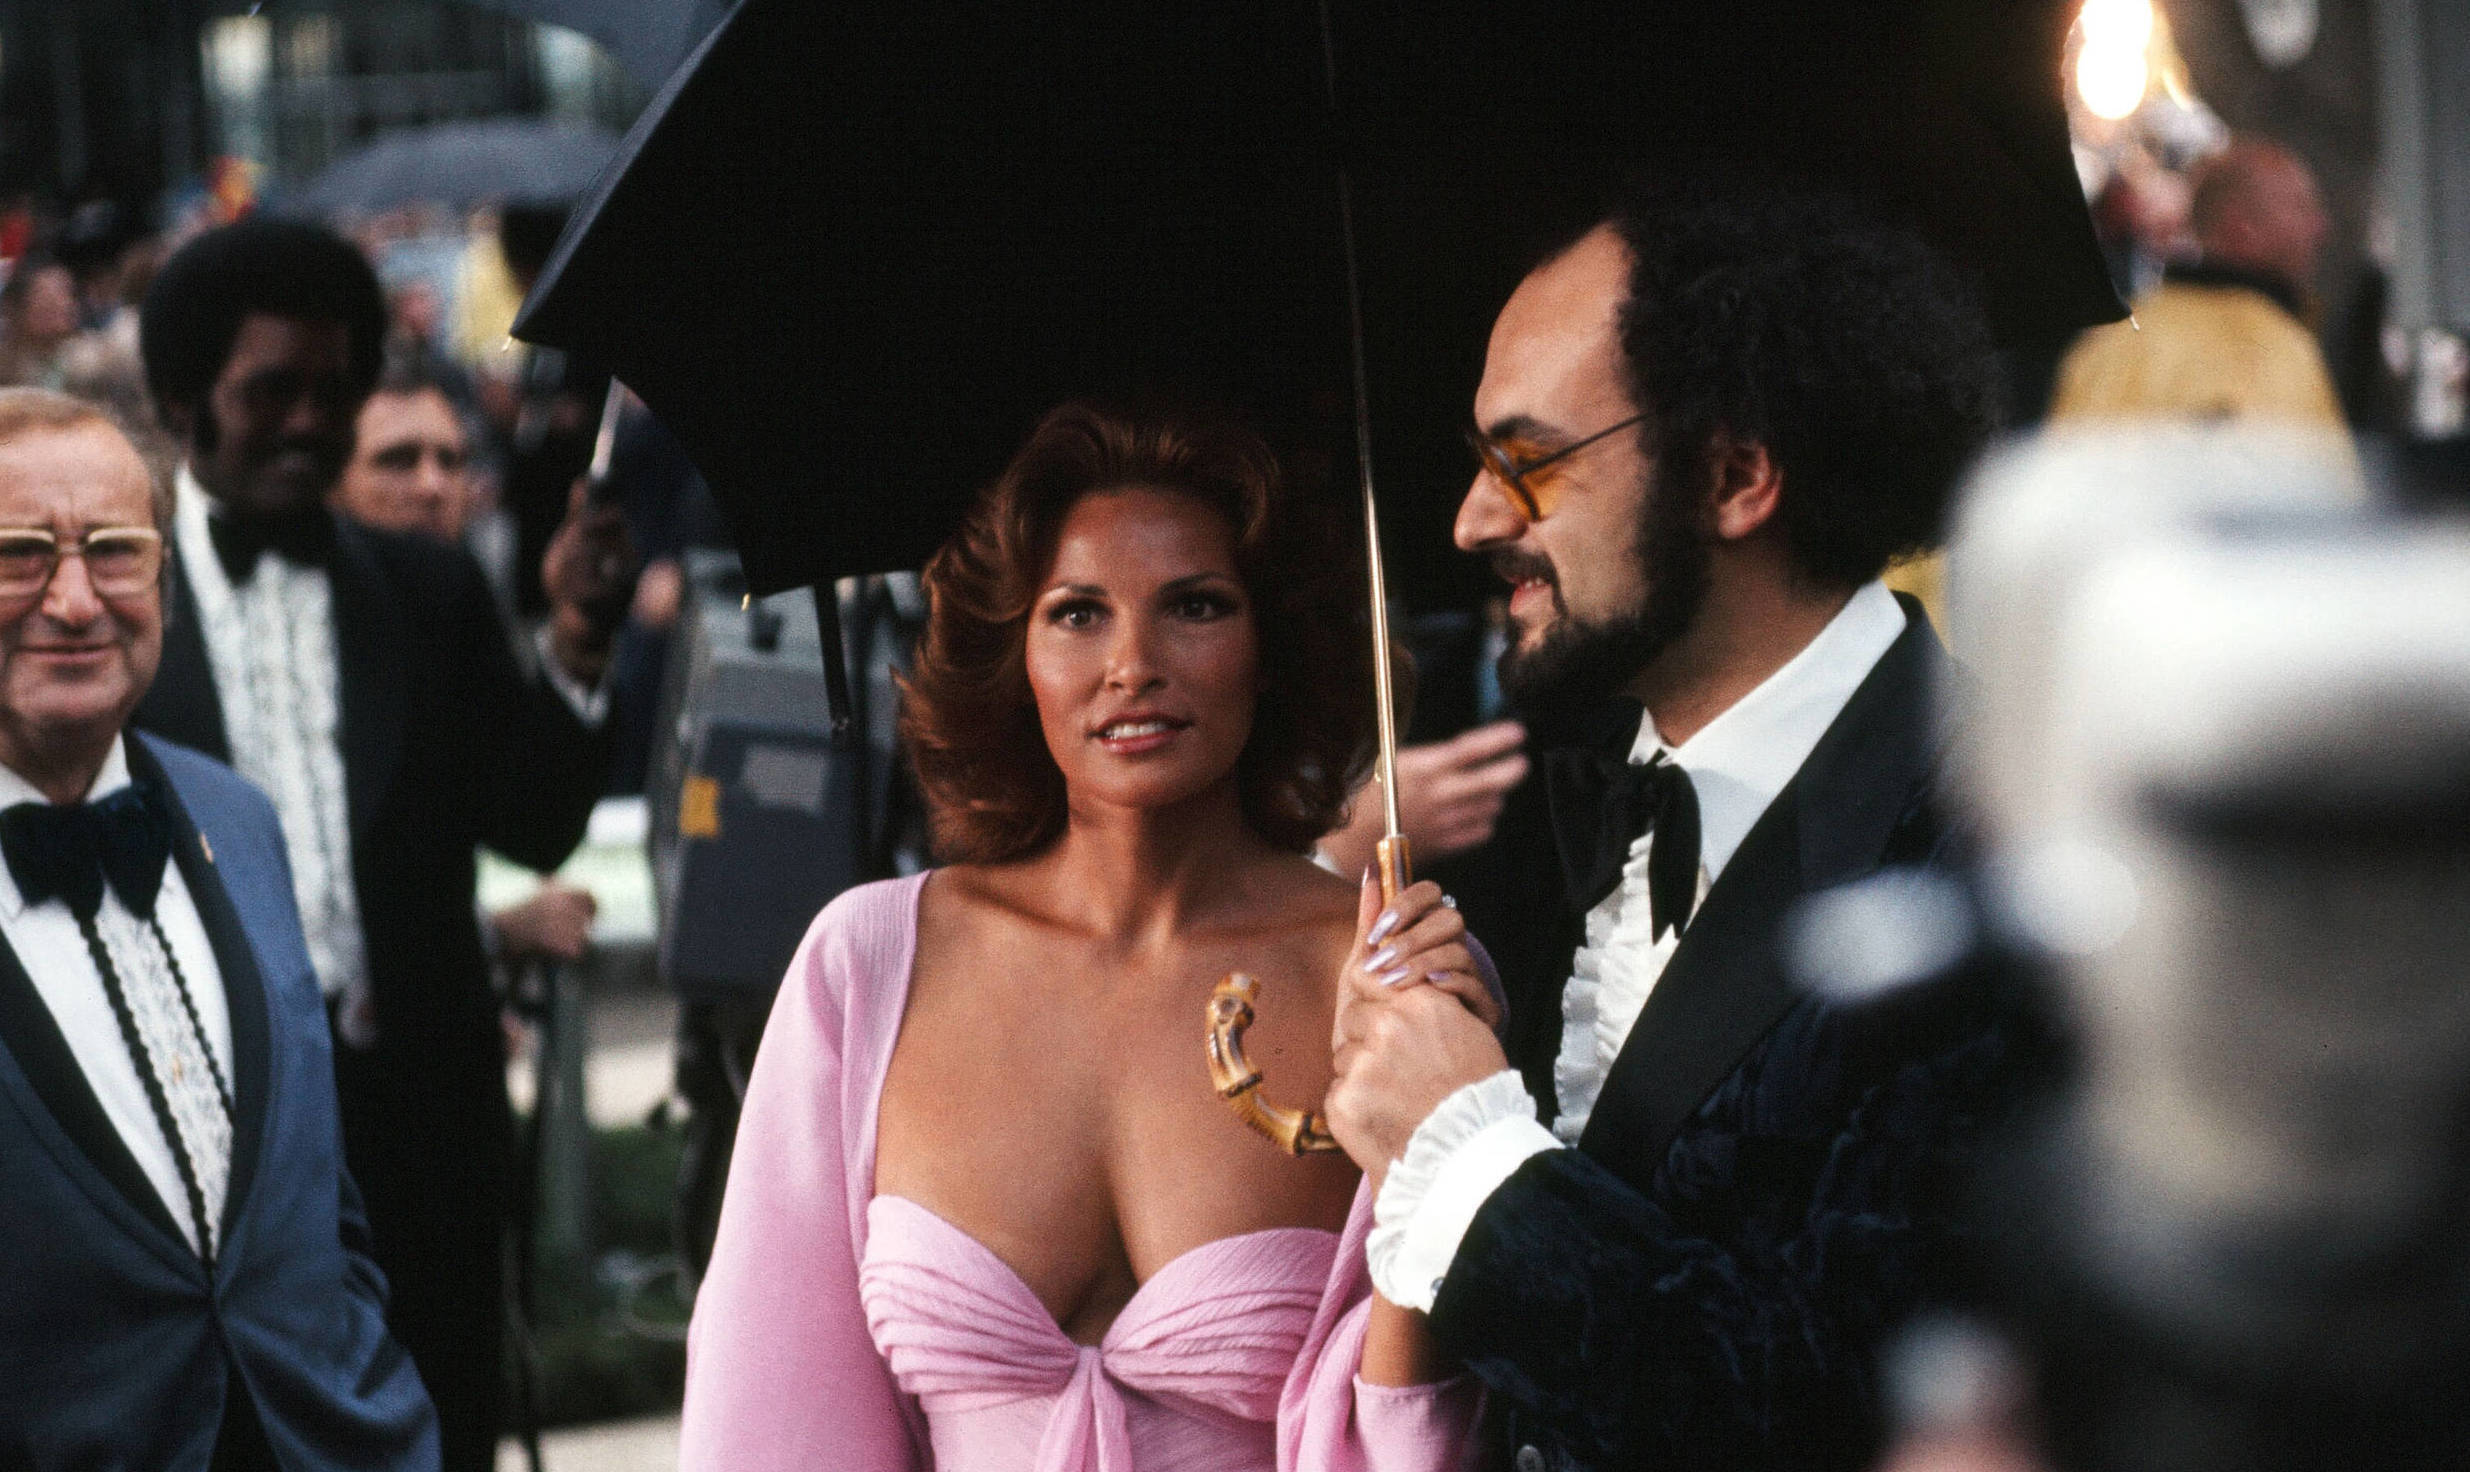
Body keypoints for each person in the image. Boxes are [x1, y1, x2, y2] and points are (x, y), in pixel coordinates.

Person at [1321, 184, 2013, 1471]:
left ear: (1735, 473)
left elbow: (1856, 1420)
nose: (1472, 520)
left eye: (1523, 460)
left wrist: (1470, 1160)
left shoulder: (1991, 844)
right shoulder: (1547, 812)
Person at [681, 403, 1484, 1470]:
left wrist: (1442, 1141)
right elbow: (766, 1430)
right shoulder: (867, 966)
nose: (1132, 663)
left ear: (1275, 643)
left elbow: (1431, 1433)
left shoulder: (1389, 976)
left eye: (1195, 605)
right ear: (1013, 652)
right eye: (1076, 613)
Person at [129, 217, 631, 1472]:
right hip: (208, 1164)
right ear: (188, 396)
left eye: (331, 388)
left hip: (425, 1138)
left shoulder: (427, 589)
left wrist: (577, 638)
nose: (310, 419)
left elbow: (533, 819)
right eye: (272, 391)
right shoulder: (117, 611)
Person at [0, 388, 436, 1469]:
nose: (73, 597)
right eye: (16, 553)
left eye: (114, 549)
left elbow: (317, 1204)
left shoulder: (237, 819)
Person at [2050, 138, 2347, 435]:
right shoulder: (2266, 351)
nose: (2320, 227)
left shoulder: (2115, 342)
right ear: (2242, 230)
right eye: (2299, 206)